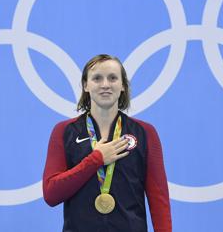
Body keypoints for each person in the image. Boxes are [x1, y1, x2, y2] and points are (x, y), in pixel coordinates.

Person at [43, 54, 172, 231]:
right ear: (86, 85)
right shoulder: (64, 131)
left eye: (112, 78)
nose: (105, 85)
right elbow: (51, 194)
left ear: (123, 86)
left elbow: (159, 199)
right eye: (97, 78)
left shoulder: (145, 133)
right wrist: (96, 159)